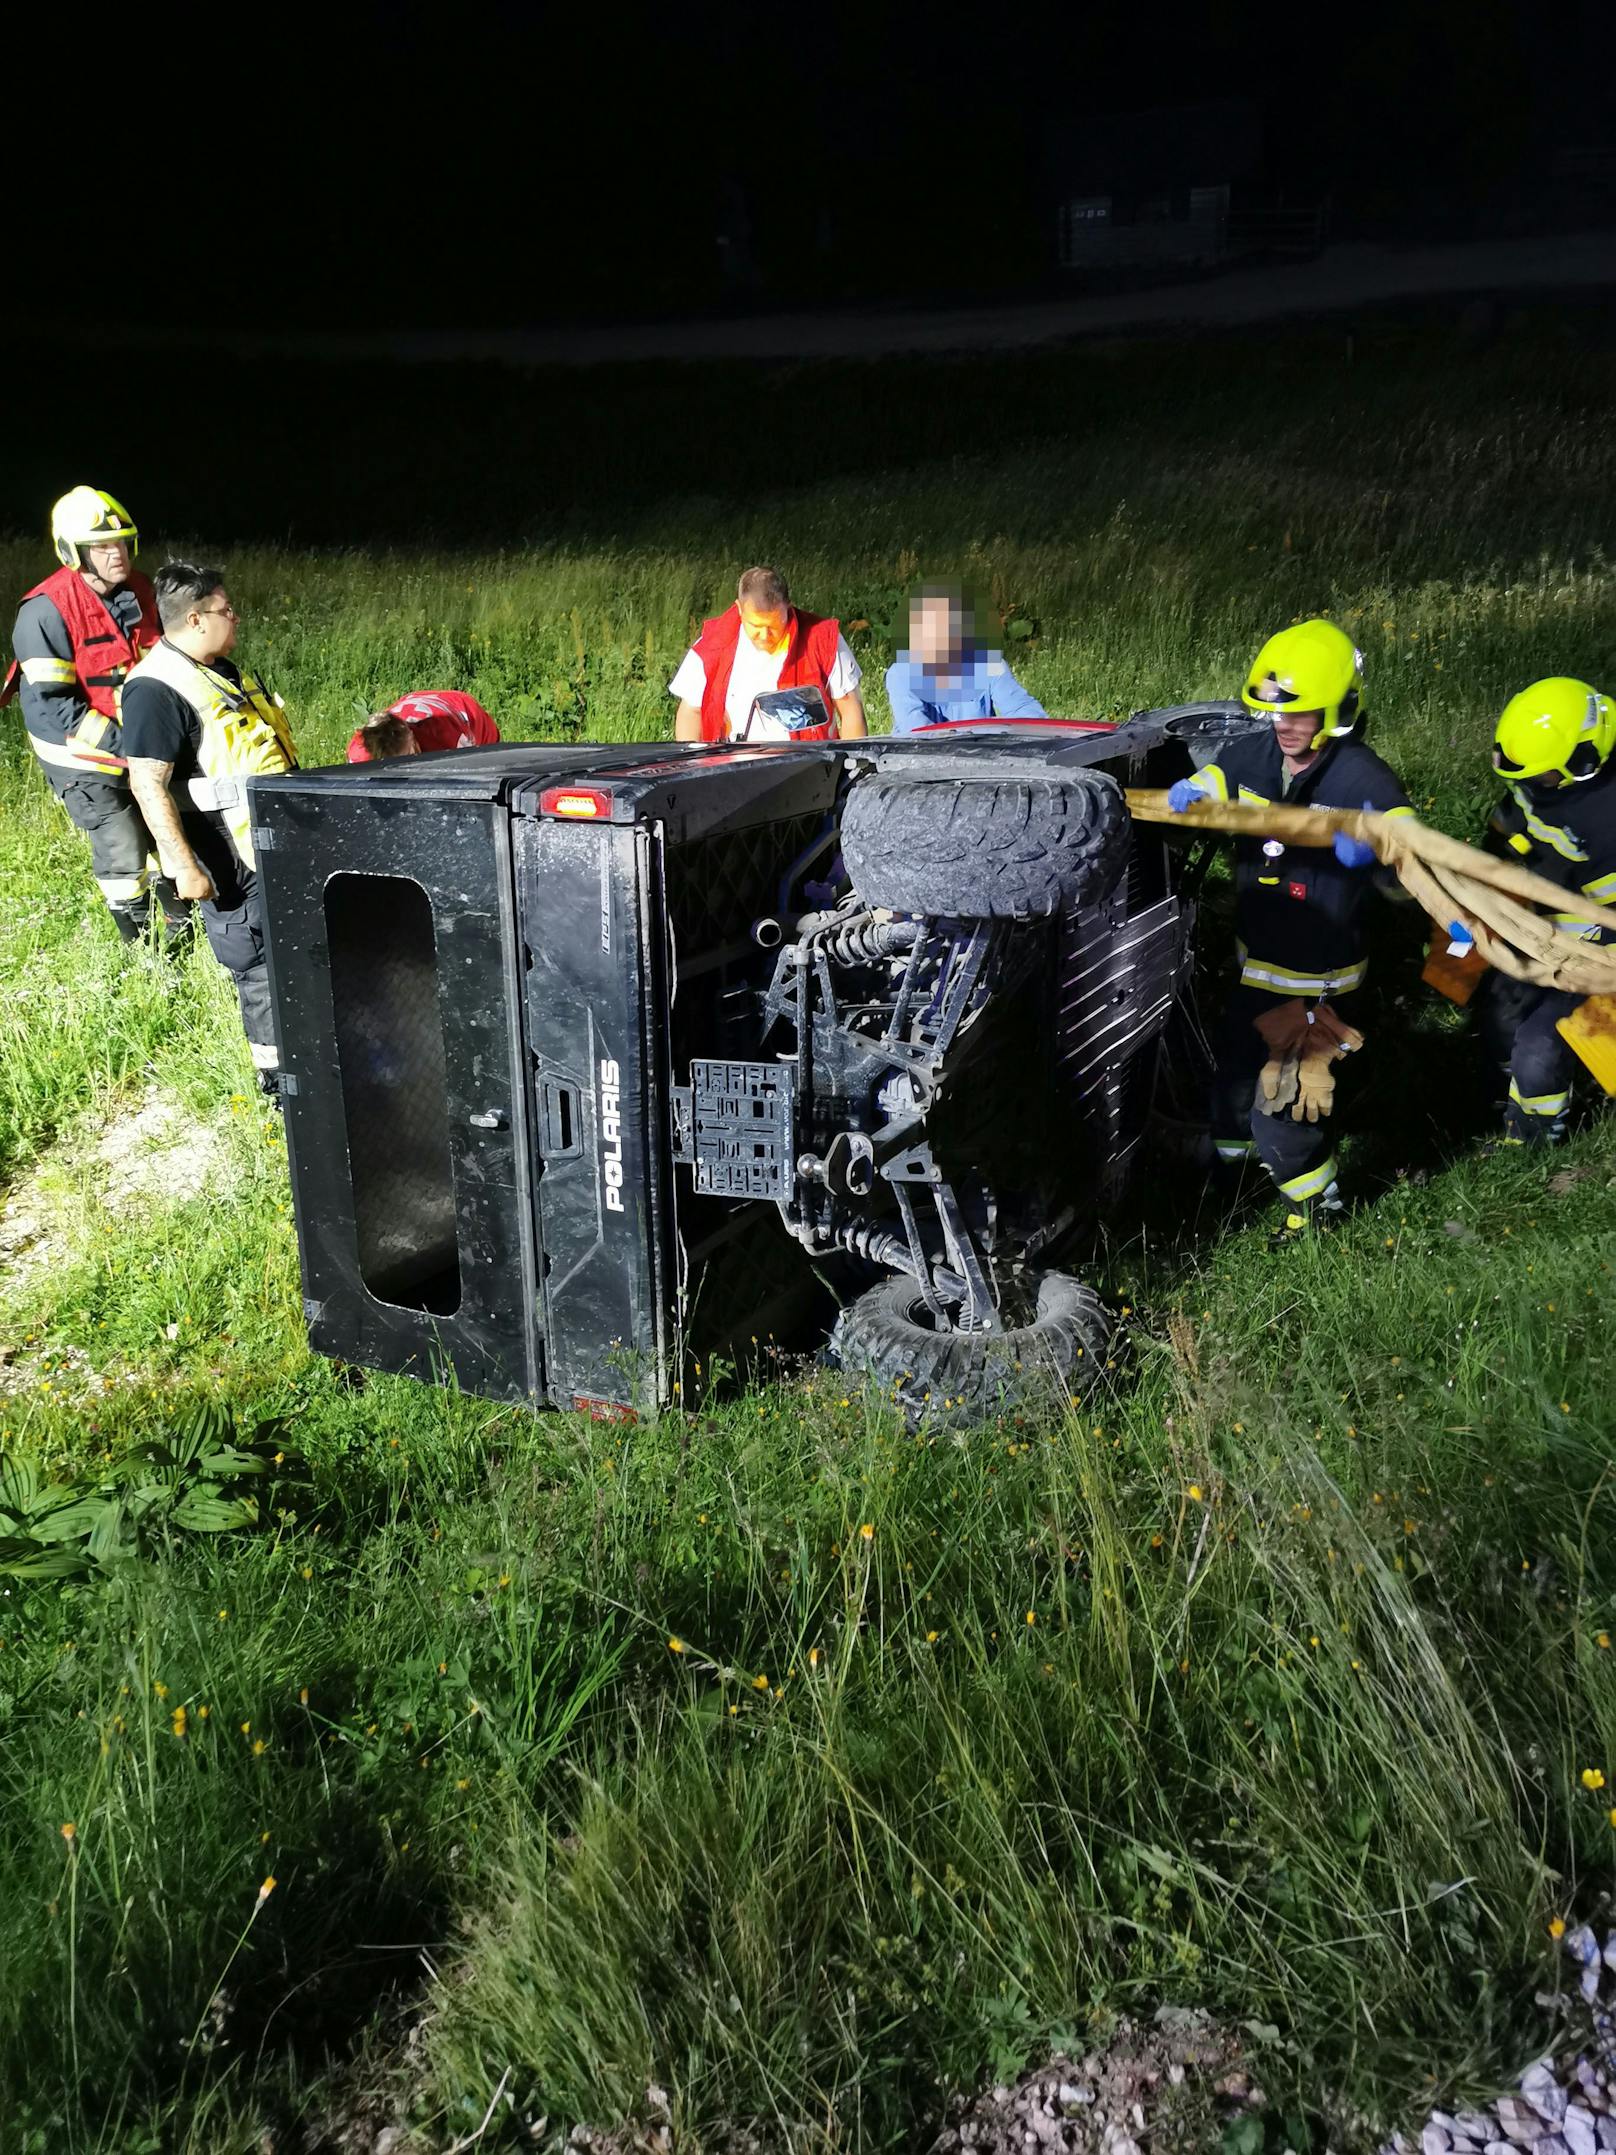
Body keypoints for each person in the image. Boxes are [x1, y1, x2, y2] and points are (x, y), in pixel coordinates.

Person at [1168, 619, 1414, 1234]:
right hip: (1258, 968)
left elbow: (1414, 864)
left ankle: (1315, 1211)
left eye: (1301, 715)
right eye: (1276, 713)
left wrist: (1381, 850)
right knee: (1233, 1084)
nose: (1285, 727)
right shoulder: (1258, 753)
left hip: (1318, 983)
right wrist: (1200, 785)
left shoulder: (1366, 781)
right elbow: (1227, 777)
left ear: (1340, 713)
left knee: (1289, 1107)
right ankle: (1234, 1179)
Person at [119, 563, 298, 1096]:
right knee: (258, 967)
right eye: (226, 610)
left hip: (269, 839)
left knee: (297, 949)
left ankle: (313, 1052)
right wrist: (183, 867)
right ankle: (277, 1085)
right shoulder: (154, 688)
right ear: (195, 619)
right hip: (226, 851)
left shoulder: (218, 667)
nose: (235, 617)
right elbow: (147, 784)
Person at [2, 486, 187, 940]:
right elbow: (60, 706)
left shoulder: (142, 589)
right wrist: (132, 747)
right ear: (74, 552)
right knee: (122, 844)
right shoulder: (43, 613)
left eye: (122, 541)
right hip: (80, 755)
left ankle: (181, 925)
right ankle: (139, 949)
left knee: (169, 824)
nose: (117, 553)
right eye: (102, 546)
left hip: (139, 741)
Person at [1477, 677, 1616, 1145]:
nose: (1532, 788)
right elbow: (1509, 827)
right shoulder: (1538, 782)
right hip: (1540, 932)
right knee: (1498, 1007)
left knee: (1541, 1043)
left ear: (1584, 759)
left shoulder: (1608, 818)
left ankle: (1535, 1137)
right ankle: (1507, 1089)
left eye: (1542, 777)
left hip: (1597, 956)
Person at [670, 566, 867, 742]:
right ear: (739, 609)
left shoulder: (822, 639)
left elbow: (850, 709)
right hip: (734, 768)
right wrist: (693, 763)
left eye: (774, 625)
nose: (764, 635)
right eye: (755, 625)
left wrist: (850, 765)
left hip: (809, 766)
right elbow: (691, 712)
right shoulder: (713, 644)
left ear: (788, 608)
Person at [886, 582, 1047, 733]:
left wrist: (1044, 733)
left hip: (980, 757)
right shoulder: (901, 673)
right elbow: (916, 730)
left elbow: (1021, 708)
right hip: (918, 759)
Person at [345, 689, 501, 762]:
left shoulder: (447, 742)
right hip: (414, 703)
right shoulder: (360, 751)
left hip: (465, 711)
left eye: (407, 758)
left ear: (412, 739)